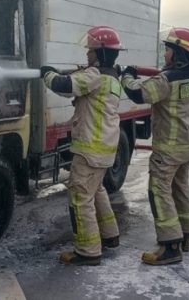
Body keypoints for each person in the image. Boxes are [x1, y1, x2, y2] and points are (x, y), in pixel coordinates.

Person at [121, 27, 189, 265]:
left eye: (168, 49)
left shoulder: (166, 80)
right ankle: (185, 235)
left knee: (158, 191)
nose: (166, 54)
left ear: (179, 52)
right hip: (187, 145)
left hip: (168, 148)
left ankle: (170, 246)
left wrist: (126, 75)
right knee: (180, 188)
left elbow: (139, 94)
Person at [40, 25, 123, 266]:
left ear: (101, 53)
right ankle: (110, 236)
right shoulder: (111, 77)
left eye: (91, 50)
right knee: (96, 190)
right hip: (104, 148)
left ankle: (87, 251)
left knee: (80, 197)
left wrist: (47, 74)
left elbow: (64, 86)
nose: (87, 54)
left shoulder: (95, 76)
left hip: (90, 148)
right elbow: (77, 88)